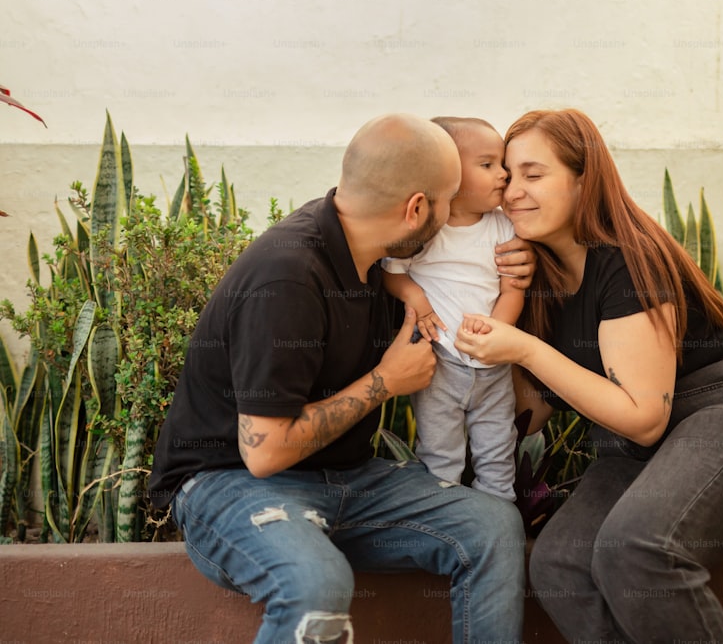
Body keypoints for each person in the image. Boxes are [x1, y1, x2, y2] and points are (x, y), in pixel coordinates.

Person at [148, 113, 536, 644]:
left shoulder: (383, 255)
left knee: (493, 527)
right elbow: (264, 452)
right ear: (416, 209)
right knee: (316, 584)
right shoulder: (288, 277)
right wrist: (385, 381)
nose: (453, 217)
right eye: (448, 203)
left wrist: (515, 261)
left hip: (348, 480)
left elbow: (468, 277)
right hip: (233, 483)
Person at [454, 108, 723, 643]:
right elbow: (534, 407)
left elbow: (643, 418)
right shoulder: (537, 272)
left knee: (641, 549)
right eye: (508, 175)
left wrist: (522, 346)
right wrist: (505, 305)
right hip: (632, 445)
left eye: (534, 174)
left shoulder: (628, 259)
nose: (513, 191)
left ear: (583, 179)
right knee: (560, 566)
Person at [382, 117, 522, 501]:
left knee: (497, 452)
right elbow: (393, 274)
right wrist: (417, 298)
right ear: (450, 176)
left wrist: (497, 332)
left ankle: (498, 519)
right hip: (439, 362)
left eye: (502, 164)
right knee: (441, 455)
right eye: (488, 164)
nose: (504, 174)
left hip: (492, 367)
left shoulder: (504, 227)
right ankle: (444, 517)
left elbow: (512, 289)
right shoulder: (427, 231)